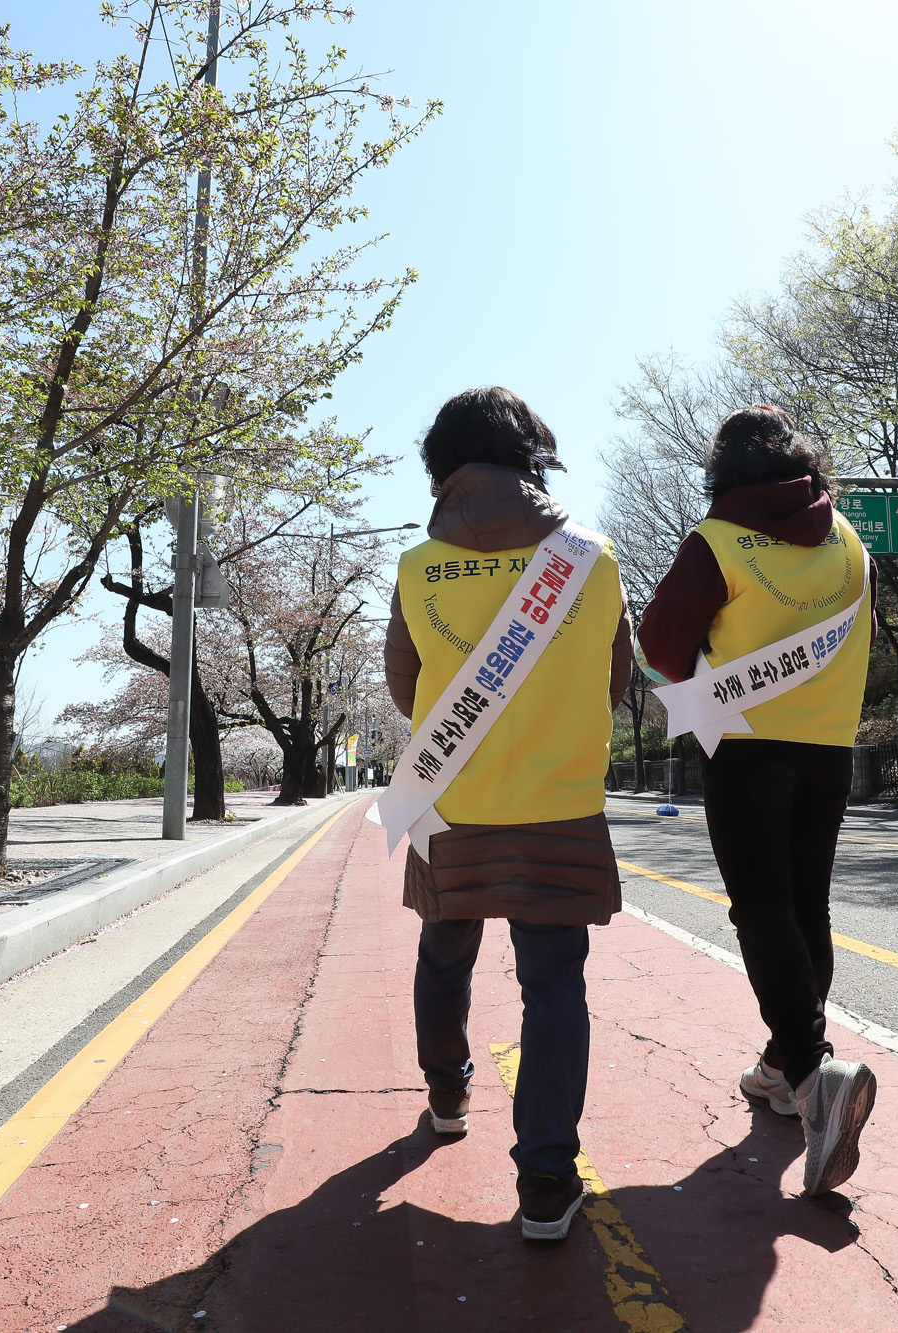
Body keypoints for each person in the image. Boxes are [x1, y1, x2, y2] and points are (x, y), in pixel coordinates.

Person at [381, 386, 632, 1241]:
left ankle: (448, 1094)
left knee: (444, 949)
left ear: (444, 468)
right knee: (554, 981)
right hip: (560, 808)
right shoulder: (592, 558)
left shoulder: (418, 567)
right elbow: (615, 680)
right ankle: (548, 1179)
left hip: (452, 804)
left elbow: (406, 689)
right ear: (532, 455)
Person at [636, 403, 877, 1198]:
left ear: (723, 472)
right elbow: (867, 639)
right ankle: (781, 1066)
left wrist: (711, 665)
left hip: (745, 748)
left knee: (762, 905)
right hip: (829, 747)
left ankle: (812, 1076)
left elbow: (659, 644)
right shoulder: (851, 543)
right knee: (807, 905)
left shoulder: (717, 541)